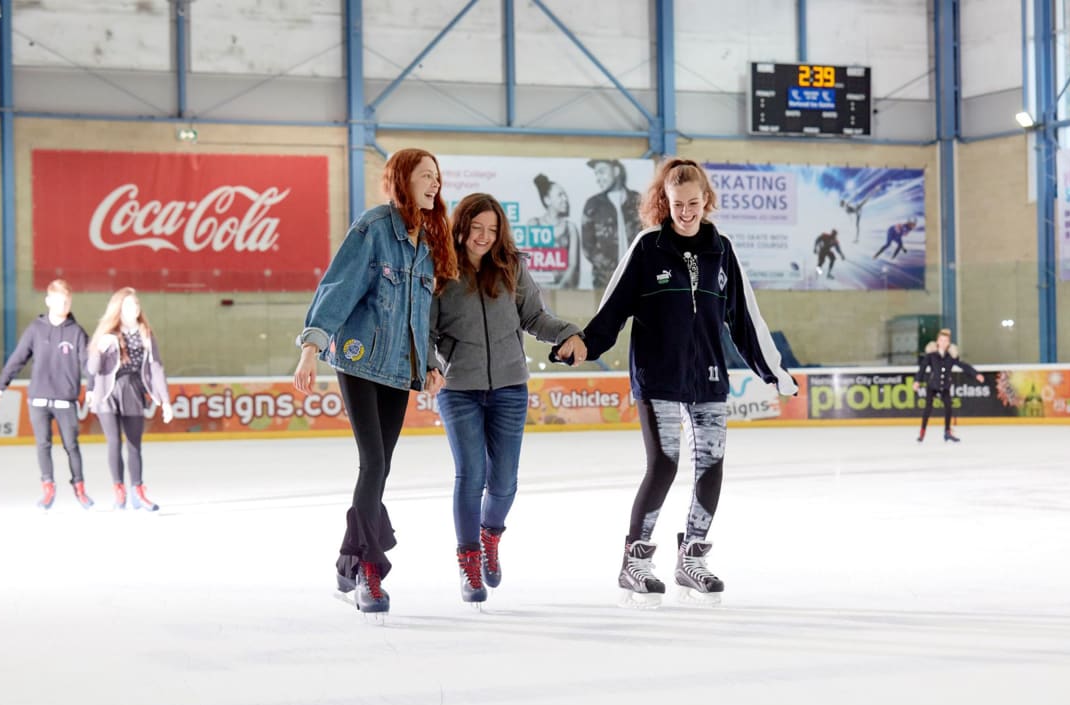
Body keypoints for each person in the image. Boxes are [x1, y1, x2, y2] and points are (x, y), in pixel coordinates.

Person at [558, 157, 797, 608]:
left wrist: (773, 370)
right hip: (658, 376)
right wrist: (586, 344)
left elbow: (745, 318)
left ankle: (692, 557)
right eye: (676, 203)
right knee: (665, 463)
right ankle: (635, 560)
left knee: (712, 464)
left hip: (707, 376)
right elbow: (614, 306)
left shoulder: (721, 250)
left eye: (693, 202)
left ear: (706, 201)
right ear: (663, 203)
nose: (685, 211)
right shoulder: (649, 247)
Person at [294, 148, 458, 616]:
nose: (434, 184)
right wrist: (311, 348)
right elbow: (338, 286)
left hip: (399, 370)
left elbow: (422, 313)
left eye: (438, 177)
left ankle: (350, 558)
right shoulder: (373, 226)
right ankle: (368, 568)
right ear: (402, 180)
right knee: (372, 463)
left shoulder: (428, 239)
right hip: (359, 360)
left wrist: (429, 362)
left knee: (381, 466)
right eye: (426, 175)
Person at [430, 193, 586, 604]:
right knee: (471, 474)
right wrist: (430, 366)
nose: (483, 237)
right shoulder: (438, 269)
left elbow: (535, 317)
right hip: (458, 388)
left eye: (492, 229)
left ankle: (489, 535)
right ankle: (467, 559)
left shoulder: (510, 267)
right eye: (476, 227)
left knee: (504, 482)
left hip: (510, 388)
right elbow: (423, 332)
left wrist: (570, 332)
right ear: (460, 226)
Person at [0, 279, 95, 510]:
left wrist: (92, 388)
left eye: (68, 301)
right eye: (60, 301)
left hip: (65, 400)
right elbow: (17, 358)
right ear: (49, 300)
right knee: (43, 444)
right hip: (38, 399)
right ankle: (48, 488)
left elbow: (88, 363)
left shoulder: (77, 332)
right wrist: (1, 385)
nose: (64, 305)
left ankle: (80, 488)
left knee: (71, 445)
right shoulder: (35, 329)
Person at [87, 287, 173, 511]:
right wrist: (100, 349)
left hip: (133, 391)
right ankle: (119, 491)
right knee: (114, 442)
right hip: (108, 392)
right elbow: (92, 368)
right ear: (118, 308)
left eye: (136, 304)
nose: (133, 308)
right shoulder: (109, 332)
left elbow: (156, 368)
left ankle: (138, 491)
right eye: (128, 305)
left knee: (134, 445)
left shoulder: (145, 333)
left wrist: (165, 401)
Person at [913, 328, 984, 442]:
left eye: (946, 341)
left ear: (949, 343)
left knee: (948, 408)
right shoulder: (931, 356)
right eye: (941, 340)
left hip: (945, 386)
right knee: (928, 408)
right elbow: (922, 369)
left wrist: (976, 374)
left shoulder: (950, 357)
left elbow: (963, 366)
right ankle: (922, 432)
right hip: (932, 386)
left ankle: (947, 432)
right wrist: (917, 381)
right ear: (937, 341)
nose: (943, 343)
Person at [582, 158, 642, 289]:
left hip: (639, 277)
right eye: (596, 174)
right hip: (604, 281)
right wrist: (609, 268)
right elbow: (587, 245)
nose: (598, 178)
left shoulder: (638, 201)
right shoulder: (593, 204)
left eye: (601, 172)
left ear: (616, 171)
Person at [526, 174, 580, 289]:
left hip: (564, 292)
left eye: (565, 195)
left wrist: (559, 287)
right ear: (547, 200)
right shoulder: (533, 224)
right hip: (536, 292)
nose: (565, 199)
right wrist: (539, 286)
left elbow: (573, 265)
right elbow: (527, 262)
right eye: (560, 195)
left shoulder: (570, 228)